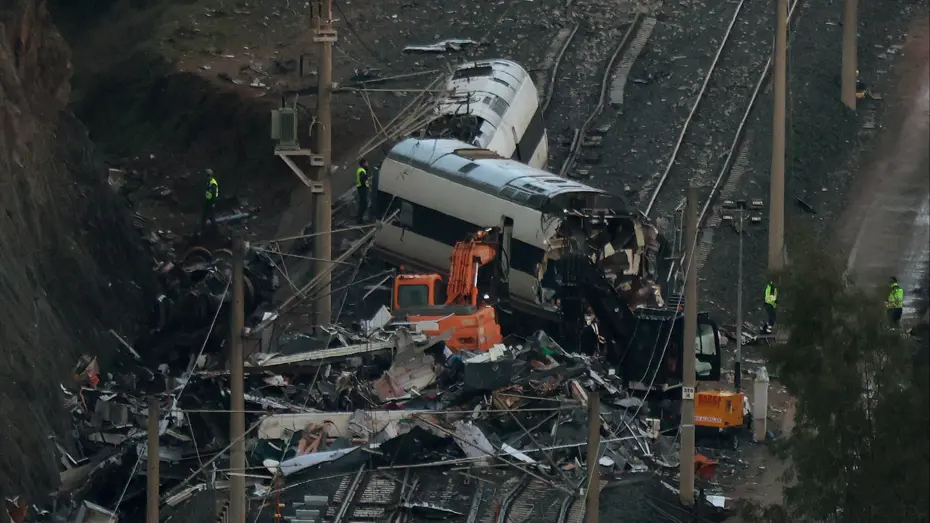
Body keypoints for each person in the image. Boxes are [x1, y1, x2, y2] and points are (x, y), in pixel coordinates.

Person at [356, 158, 371, 223]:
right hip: (363, 189)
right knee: (364, 204)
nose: (368, 164)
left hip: (361, 188)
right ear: (363, 164)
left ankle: (359, 218)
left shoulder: (361, 170)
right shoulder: (362, 170)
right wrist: (366, 185)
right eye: (367, 163)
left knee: (363, 204)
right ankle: (359, 219)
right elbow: (363, 179)